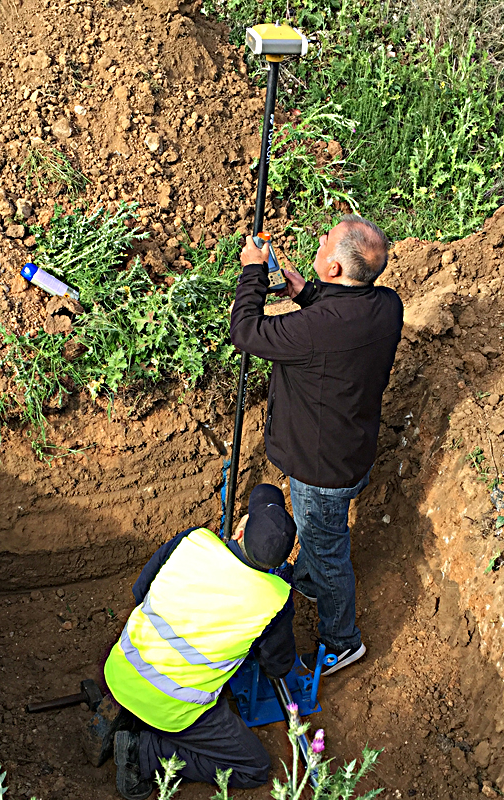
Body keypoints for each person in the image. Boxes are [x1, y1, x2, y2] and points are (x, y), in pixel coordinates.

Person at [230, 215, 403, 676]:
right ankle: (306, 579)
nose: (320, 240)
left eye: (326, 240)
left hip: (321, 471)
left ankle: (343, 641)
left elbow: (245, 334)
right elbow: (336, 317)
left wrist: (252, 272)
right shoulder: (387, 305)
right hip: (353, 450)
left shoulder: (315, 331)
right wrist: (305, 294)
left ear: (334, 270)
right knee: (320, 535)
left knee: (328, 550)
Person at [97, 484, 297, 800]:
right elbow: (278, 665)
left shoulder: (192, 541)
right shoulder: (275, 600)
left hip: (121, 669)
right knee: (254, 768)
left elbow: (141, 591)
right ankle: (144, 752)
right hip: (172, 708)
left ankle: (121, 711)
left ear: (240, 531)